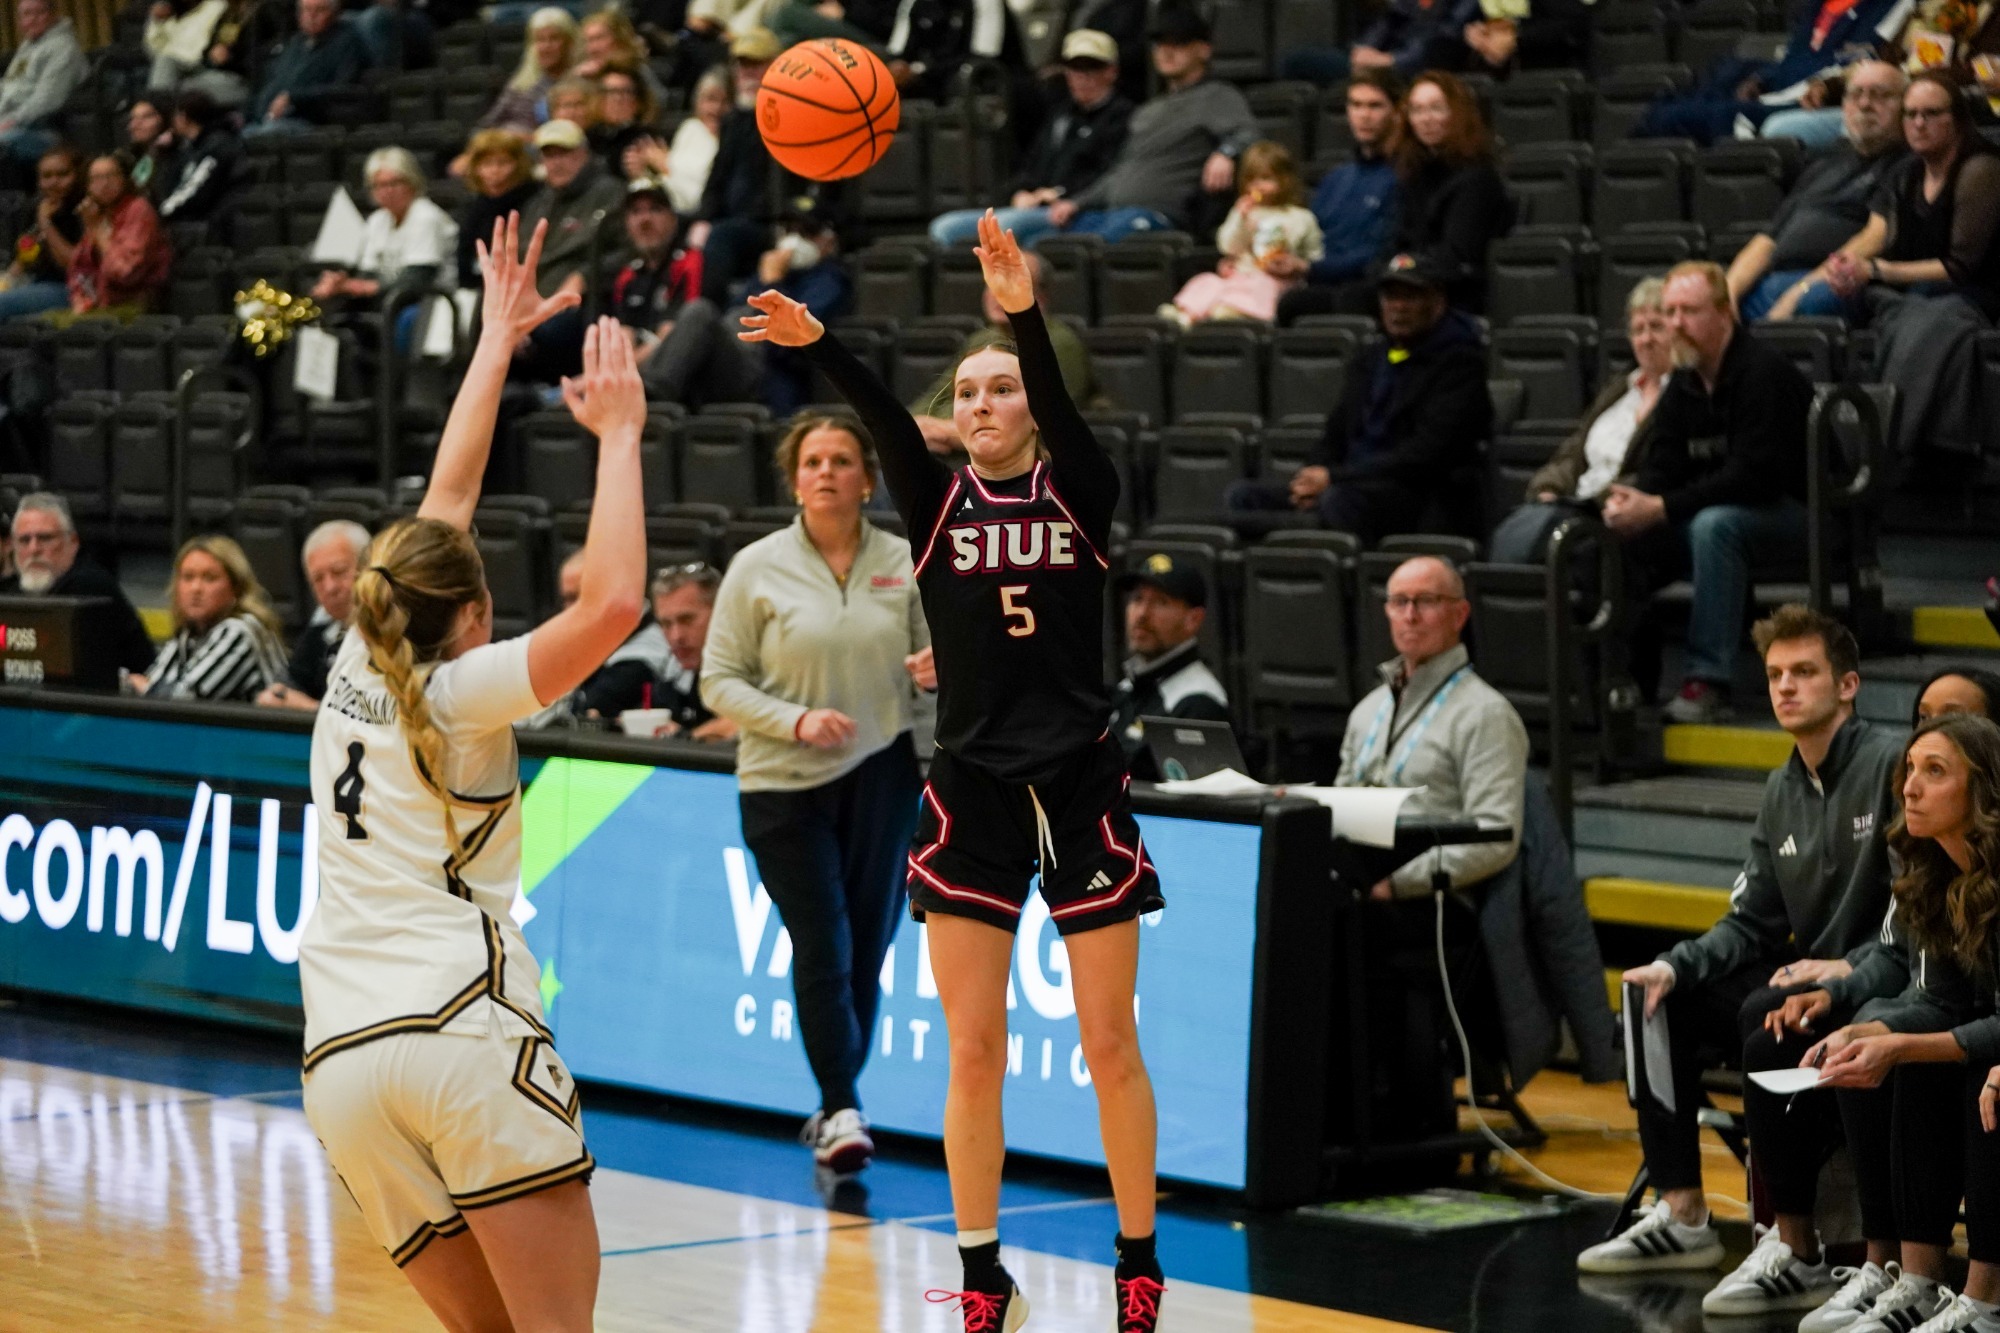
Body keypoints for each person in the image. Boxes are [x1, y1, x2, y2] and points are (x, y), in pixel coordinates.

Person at [741, 210, 1168, 1330]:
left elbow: (1058, 406)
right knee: (972, 1050)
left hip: (1078, 786)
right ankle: (983, 1278)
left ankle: (1137, 1263)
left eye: (1002, 389)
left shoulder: (1079, 485)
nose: (981, 403)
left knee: (1108, 1040)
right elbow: (885, 417)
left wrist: (1019, 309)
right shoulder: (932, 503)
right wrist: (816, 341)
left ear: (1031, 406)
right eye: (966, 393)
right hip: (970, 789)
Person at [297, 214, 644, 1332]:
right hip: (456, 1030)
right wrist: (621, 434)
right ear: (478, 616)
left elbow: (442, 506)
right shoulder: (462, 690)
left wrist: (497, 339)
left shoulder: (358, 651)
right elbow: (613, 608)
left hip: (339, 1066)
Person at [1577, 605, 1902, 1285]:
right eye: (1776, 674)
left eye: (1804, 671)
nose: (1786, 686)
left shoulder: (1890, 764)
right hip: (1813, 973)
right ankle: (1683, 1211)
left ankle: (1795, 1238)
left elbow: (1917, 917)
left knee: (1763, 1013)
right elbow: (1750, 919)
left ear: (1848, 684)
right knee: (1653, 997)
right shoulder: (1781, 786)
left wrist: (1848, 967)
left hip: (1882, 981)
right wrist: (1674, 964)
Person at [701, 411, 930, 1173]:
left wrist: (939, 685)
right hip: (782, 784)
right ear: (794, 479)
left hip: (883, 773)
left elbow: (937, 665)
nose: (826, 472)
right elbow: (717, 681)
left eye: (841, 460)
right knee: (824, 944)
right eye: (811, 462)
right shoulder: (755, 568)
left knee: (867, 948)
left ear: (867, 478)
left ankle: (840, 1099)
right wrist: (795, 720)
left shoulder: (904, 561)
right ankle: (840, 1104)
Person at [1746, 671, 2000, 1331]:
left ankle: (1983, 1299)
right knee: (1880, 1046)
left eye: (1934, 771)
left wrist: (1903, 1040)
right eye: (1910, 767)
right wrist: (1874, 1030)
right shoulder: (1935, 874)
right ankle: (1912, 1276)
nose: (1909, 784)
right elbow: (1942, 1003)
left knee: (1980, 1075)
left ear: (1984, 789)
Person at [1766, 72, 2000, 483]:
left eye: (1931, 114)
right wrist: (1845, 273)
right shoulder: (1906, 172)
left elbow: (1961, 267)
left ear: (1957, 120)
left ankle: (1889, 444)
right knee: (1823, 302)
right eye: (1910, 115)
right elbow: (1882, 242)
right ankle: (1815, 444)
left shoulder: (1981, 169)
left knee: (1926, 324)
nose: (1918, 124)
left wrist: (1875, 271)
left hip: (1971, 291)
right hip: (1908, 286)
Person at [1608, 261, 1814, 722]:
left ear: (1724, 314)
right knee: (1624, 529)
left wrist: (1661, 506)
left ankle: (1707, 679)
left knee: (1714, 525)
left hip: (1801, 514)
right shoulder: (1683, 382)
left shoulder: (1763, 373)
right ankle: (1627, 682)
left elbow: (1755, 478)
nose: (1676, 323)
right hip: (1727, 512)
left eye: (1689, 311)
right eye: (1670, 311)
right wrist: (1636, 505)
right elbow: (1663, 466)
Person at [1224, 252, 1491, 544]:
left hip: (1415, 494)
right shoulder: (1372, 357)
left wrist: (1336, 478)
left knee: (1339, 501)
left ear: (1438, 302)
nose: (1398, 308)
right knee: (1244, 496)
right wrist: (1310, 476)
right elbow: (1336, 431)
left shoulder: (1460, 364)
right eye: (1391, 297)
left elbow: (1425, 456)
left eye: (1410, 298)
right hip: (1350, 484)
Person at [984, 5, 1257, 248]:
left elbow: (1249, 135)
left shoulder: (1218, 96)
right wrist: (1076, 202)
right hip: (1108, 211)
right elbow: (1119, 172)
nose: (1167, 51)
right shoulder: (1148, 110)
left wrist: (1227, 152)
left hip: (1155, 214)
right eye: (1160, 43)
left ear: (1203, 49)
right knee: (1037, 247)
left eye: (1179, 43)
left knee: (1076, 251)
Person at [1336, 555, 1528, 897]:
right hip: (1357, 886)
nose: (1410, 616)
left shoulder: (1486, 714)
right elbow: (1340, 809)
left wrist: (1398, 882)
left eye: (1426, 601)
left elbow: (1496, 835)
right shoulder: (1368, 710)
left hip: (1434, 904)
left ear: (1460, 614)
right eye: (1399, 602)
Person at [1489, 278, 1673, 565]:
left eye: (1657, 327)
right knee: (1513, 535)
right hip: (1571, 507)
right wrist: (1549, 489)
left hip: (1616, 517)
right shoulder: (1619, 389)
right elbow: (1574, 452)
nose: (1646, 339)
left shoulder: (1684, 394)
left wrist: (1587, 505)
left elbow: (1657, 471)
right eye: (1638, 329)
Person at [1728, 59, 1909, 322]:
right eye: (1856, 94)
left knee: (1817, 299)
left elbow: (1872, 240)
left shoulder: (1907, 165)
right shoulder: (1824, 163)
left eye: (1880, 95)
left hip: (1833, 283)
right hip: (1772, 282)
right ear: (1844, 105)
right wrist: (1727, 295)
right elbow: (1768, 239)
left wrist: (1799, 292)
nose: (1865, 104)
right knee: (1689, 301)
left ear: (1906, 106)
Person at [925, 28, 1133, 249]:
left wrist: (1059, 195)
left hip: (1078, 211)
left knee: (1008, 225)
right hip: (1034, 207)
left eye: (1091, 68)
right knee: (945, 227)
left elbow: (1113, 175)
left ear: (1111, 72)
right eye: (1074, 68)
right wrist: (1021, 192)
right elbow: (1032, 166)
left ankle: (1006, 284)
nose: (1082, 77)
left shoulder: (1124, 117)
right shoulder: (1060, 115)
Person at [1633, 0, 1911, 146]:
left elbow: (1859, 61)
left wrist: (1818, 85)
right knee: (1670, 104)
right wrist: (1763, 78)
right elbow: (1795, 54)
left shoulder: (1893, 4)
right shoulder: (1821, 4)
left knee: (1680, 118)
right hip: (1779, 85)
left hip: (1806, 99)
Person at [1347, 70, 1510, 315]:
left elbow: (1458, 255)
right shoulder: (1415, 174)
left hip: (1451, 293)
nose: (1426, 119)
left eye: (1436, 108)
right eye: (1417, 110)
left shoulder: (1477, 179)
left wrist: (1402, 266)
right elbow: (1400, 238)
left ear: (1457, 114)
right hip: (1411, 280)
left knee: (1353, 301)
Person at [909, 249, 1101, 458]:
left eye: (1008, 283)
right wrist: (913, 427)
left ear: (1040, 297)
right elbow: (937, 394)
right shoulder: (980, 339)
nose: (995, 294)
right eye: (991, 284)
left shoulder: (1059, 342)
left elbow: (1051, 419)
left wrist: (948, 431)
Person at [606, 175, 766, 409]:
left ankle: (649, 398)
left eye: (654, 210)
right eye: (635, 212)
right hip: (658, 375)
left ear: (673, 218)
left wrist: (617, 379)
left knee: (698, 312)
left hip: (720, 371)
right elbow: (624, 341)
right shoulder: (628, 276)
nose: (644, 220)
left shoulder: (695, 262)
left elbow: (672, 338)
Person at [1273, 68, 1401, 328]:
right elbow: (1311, 236)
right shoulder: (1335, 180)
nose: (1364, 115)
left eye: (1375, 106)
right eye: (1356, 105)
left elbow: (1379, 254)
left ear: (1397, 112)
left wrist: (1310, 268)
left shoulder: (1404, 177)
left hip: (1368, 291)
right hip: (1318, 285)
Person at [1166, 139, 1322, 326]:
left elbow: (1315, 256)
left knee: (1261, 285)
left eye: (1265, 178)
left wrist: (1296, 265)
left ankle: (1236, 312)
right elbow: (1227, 246)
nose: (1257, 186)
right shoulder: (1243, 211)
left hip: (1277, 279)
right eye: (1251, 179)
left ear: (1284, 179)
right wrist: (1240, 219)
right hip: (1241, 274)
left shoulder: (1300, 217)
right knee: (1208, 281)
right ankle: (1187, 315)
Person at [0, 492, 155, 676]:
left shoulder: (90, 588)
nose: (34, 549)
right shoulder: (13, 592)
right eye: (24, 540)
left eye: (45, 538)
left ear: (72, 542)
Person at [517, 119, 626, 378]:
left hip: (580, 303)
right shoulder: (537, 204)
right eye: (549, 155)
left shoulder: (610, 193)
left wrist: (583, 277)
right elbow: (520, 259)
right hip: (532, 301)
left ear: (584, 154)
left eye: (564, 153)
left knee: (551, 330)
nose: (556, 163)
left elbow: (628, 251)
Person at [1109, 554, 1229, 780]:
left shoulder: (1199, 702)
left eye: (1160, 602)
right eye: (1137, 599)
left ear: (1192, 620)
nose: (1142, 614)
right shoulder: (1127, 688)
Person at [133, 535, 291, 702]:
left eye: (209, 578)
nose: (196, 588)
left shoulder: (241, 631)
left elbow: (183, 701)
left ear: (236, 587)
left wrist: (144, 688)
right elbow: (151, 682)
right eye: (188, 577)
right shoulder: (190, 633)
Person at [692, 28, 782, 306]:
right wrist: (703, 218)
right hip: (730, 219)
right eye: (742, 65)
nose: (747, 72)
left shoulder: (787, 117)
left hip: (766, 222)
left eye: (756, 64)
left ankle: (709, 315)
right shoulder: (734, 119)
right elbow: (717, 177)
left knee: (721, 237)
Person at [314, 147, 459, 307]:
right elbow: (368, 273)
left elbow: (416, 282)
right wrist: (342, 283)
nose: (387, 191)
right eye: (379, 185)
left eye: (394, 183)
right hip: (391, 299)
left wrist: (359, 287)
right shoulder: (377, 220)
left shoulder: (426, 217)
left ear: (412, 182)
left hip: (432, 302)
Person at [753, 203, 855, 415]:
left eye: (806, 232)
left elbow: (787, 342)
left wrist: (772, 281)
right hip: (746, 362)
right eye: (789, 231)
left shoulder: (829, 281)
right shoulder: (777, 270)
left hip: (776, 370)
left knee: (700, 314)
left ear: (829, 239)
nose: (794, 240)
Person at [259, 519, 368, 711]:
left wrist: (311, 708)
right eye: (318, 579)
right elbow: (287, 685)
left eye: (339, 572)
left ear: (369, 567)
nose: (330, 587)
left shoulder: (391, 632)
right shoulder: (322, 629)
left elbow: (379, 717)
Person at [56, 153, 173, 324]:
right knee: (45, 325)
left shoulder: (138, 209)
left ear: (124, 179)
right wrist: (80, 297)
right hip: (100, 303)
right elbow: (79, 268)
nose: (104, 184)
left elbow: (125, 273)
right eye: (96, 178)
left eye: (111, 176)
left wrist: (96, 228)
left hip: (136, 305)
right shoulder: (99, 213)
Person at [242, 0, 372, 138]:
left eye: (319, 10)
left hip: (308, 120)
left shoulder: (347, 43)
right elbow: (269, 83)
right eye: (306, 10)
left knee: (259, 138)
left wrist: (294, 98)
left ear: (335, 13)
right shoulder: (294, 43)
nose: (311, 16)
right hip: (264, 120)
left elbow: (344, 89)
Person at [1279, 0, 1478, 85]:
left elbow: (1445, 42)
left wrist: (1390, 61)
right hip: (1381, 64)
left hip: (1418, 70)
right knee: (1295, 62)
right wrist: (1364, 50)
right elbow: (1389, 21)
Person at [0, 0, 88, 174]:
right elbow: (9, 87)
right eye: (27, 14)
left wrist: (10, 121)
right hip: (12, 125)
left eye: (39, 13)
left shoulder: (63, 48)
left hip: (47, 130)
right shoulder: (28, 46)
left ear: (53, 15)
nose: (33, 20)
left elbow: (46, 101)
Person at [624, 63, 726, 213]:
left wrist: (665, 166)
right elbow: (671, 188)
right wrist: (641, 176)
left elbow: (698, 197)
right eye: (710, 100)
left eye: (725, 102)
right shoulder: (691, 129)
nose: (717, 109)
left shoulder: (731, 142)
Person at [0, 145, 80, 322]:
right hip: (36, 282)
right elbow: (24, 258)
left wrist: (46, 223)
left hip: (72, 289)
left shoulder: (84, 210)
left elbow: (75, 266)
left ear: (77, 175)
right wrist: (5, 282)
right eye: (47, 176)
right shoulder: (37, 206)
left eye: (62, 174)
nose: (53, 182)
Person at [455, 130, 537, 290]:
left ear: (519, 164)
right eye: (486, 164)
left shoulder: (534, 201)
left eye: (503, 163)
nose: (495, 170)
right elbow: (464, 258)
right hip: (478, 285)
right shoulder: (473, 206)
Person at [478, 8, 578, 137]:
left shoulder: (577, 83)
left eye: (554, 39)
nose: (546, 47)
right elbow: (487, 124)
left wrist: (524, 139)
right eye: (540, 40)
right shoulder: (521, 83)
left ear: (569, 43)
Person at [157, 89, 242, 227]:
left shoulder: (217, 146)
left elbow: (194, 191)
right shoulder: (189, 149)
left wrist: (160, 214)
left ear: (183, 117)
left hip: (213, 225)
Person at [143, 0, 228, 95]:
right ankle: (157, 103)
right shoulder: (169, 13)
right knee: (164, 63)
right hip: (172, 72)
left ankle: (155, 104)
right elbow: (153, 52)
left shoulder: (216, 6)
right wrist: (157, 23)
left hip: (201, 67)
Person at [123, 94, 179, 202]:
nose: (134, 125)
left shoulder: (177, 157)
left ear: (165, 119)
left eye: (146, 117)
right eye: (133, 118)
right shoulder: (128, 157)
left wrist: (156, 152)